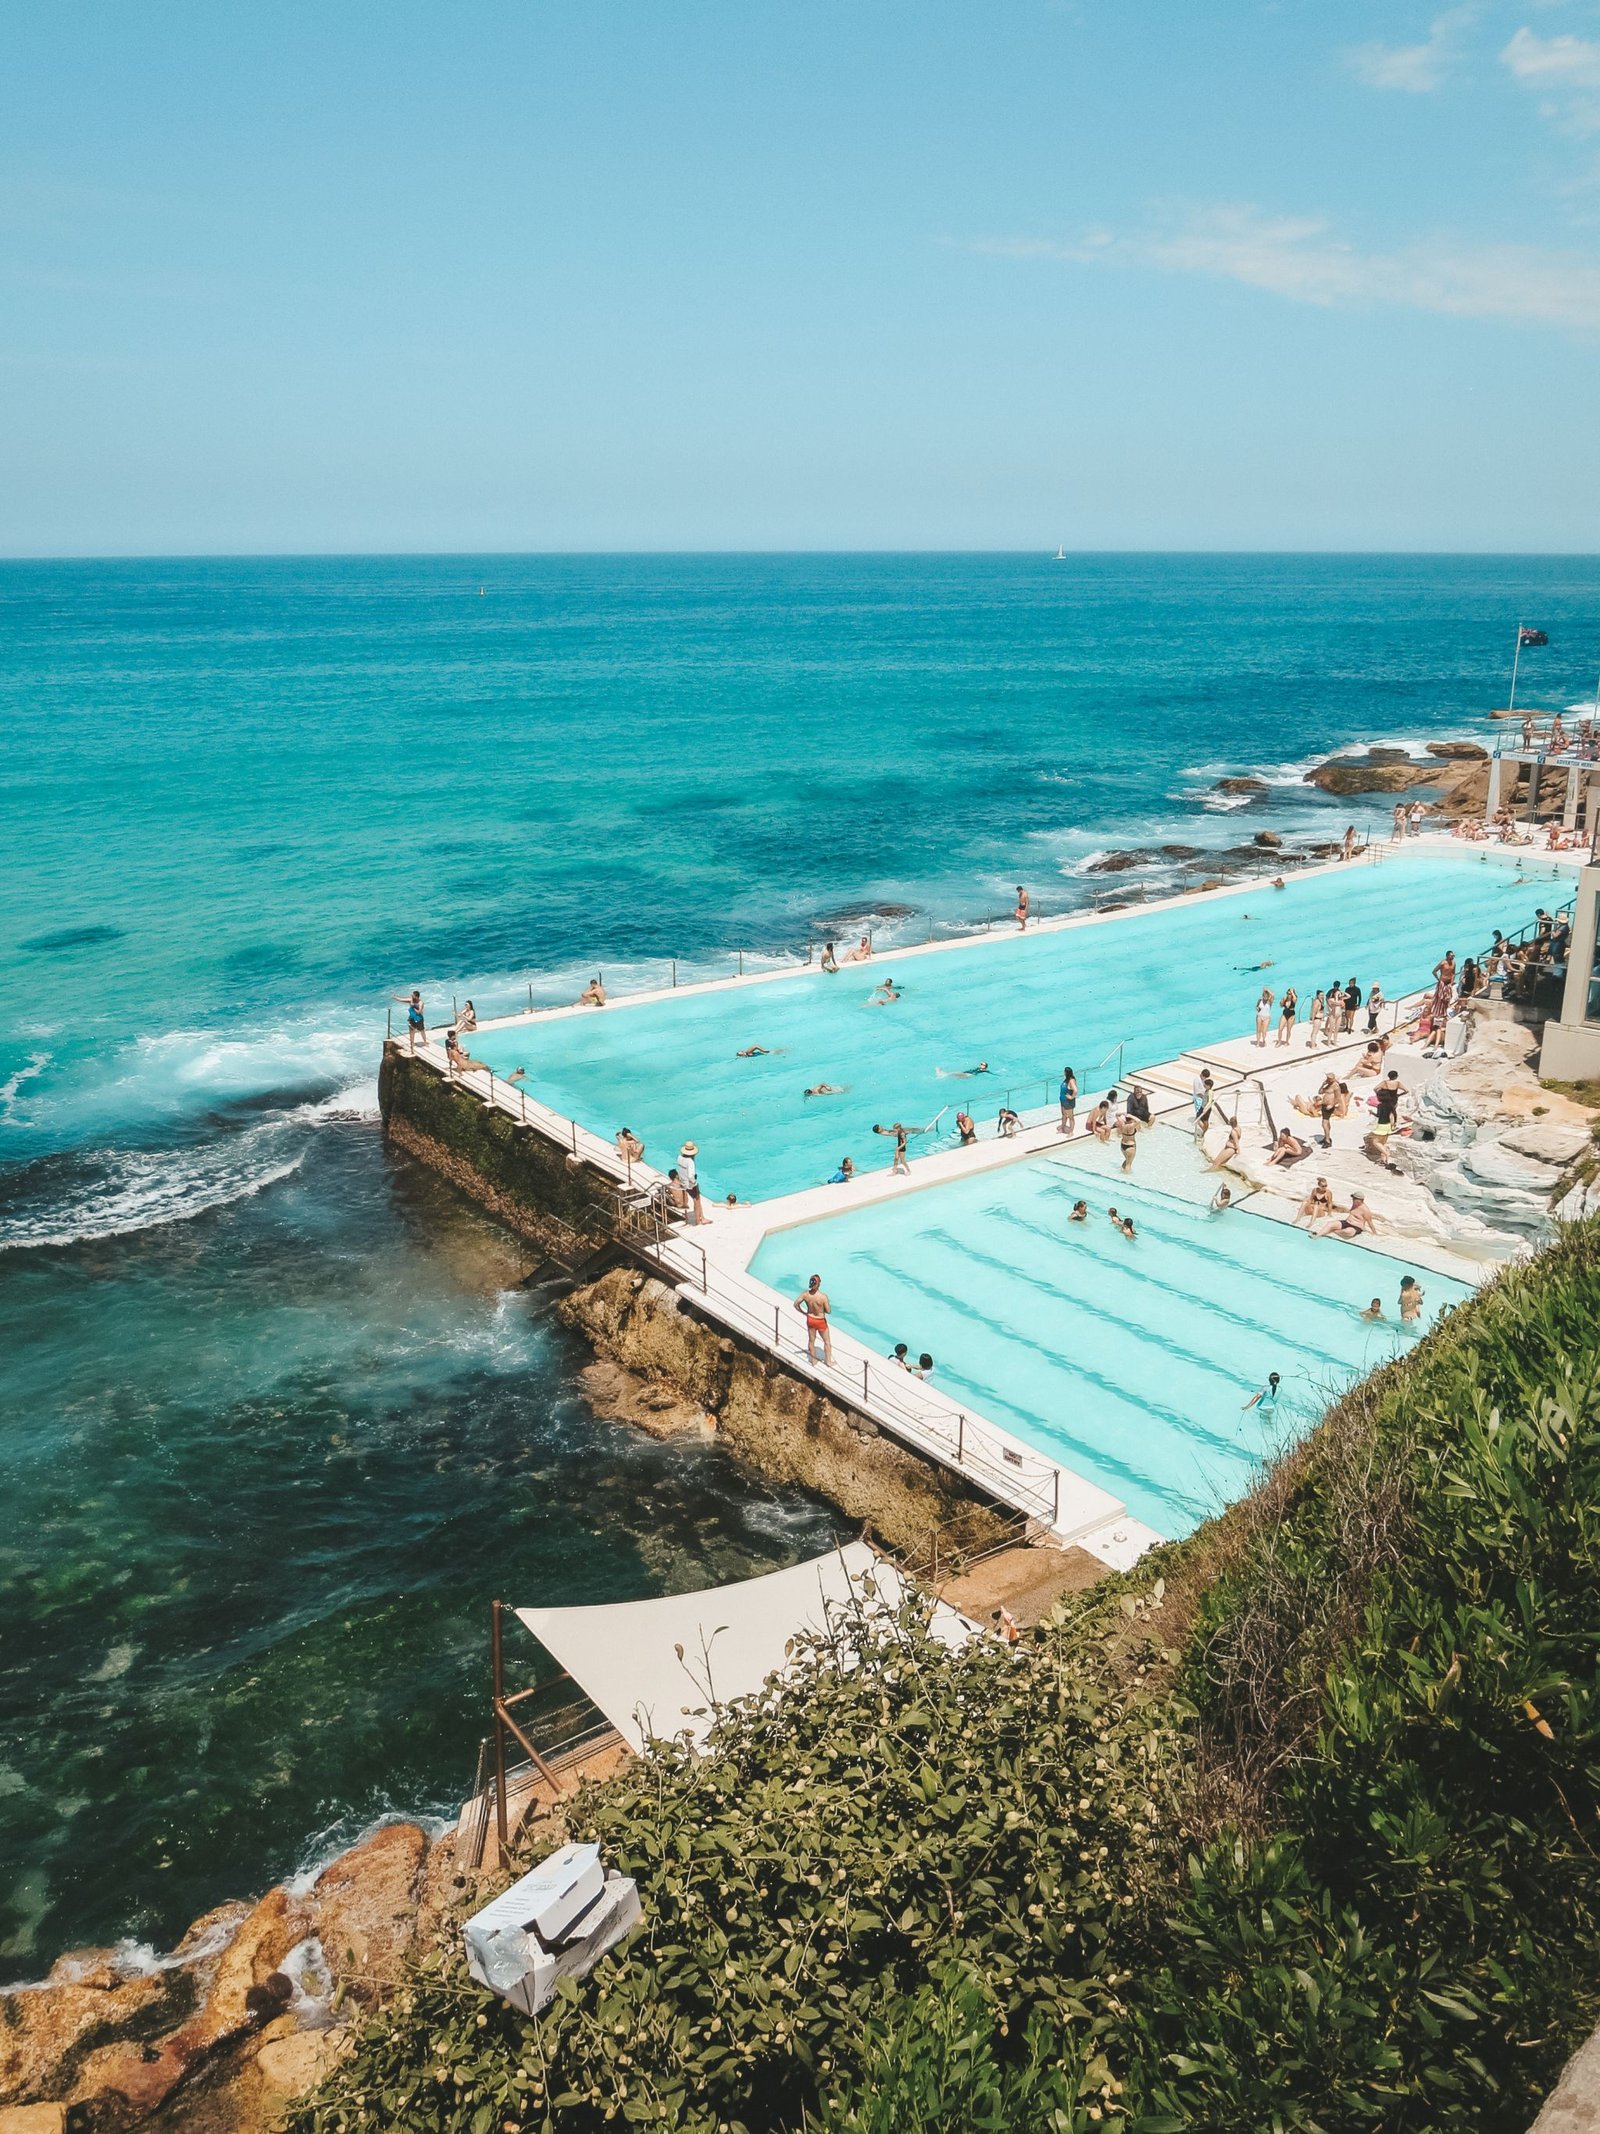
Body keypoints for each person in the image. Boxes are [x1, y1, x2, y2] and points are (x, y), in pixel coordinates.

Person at [1365, 1070, 1407, 1167]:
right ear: (1396, 1076)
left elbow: (1375, 1089)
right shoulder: (1398, 1084)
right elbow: (1406, 1091)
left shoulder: (1384, 1084)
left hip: (1382, 1124)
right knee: (1383, 1141)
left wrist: (1380, 1093)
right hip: (1392, 1102)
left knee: (1375, 1141)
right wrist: (1398, 1095)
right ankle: (1383, 1159)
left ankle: (1386, 1154)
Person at [794, 1275, 833, 1364]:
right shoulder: (823, 1297)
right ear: (818, 1284)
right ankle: (828, 1362)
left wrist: (803, 1312)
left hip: (810, 1319)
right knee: (827, 1342)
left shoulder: (805, 1294)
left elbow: (796, 1304)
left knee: (811, 1341)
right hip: (820, 1321)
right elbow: (828, 1311)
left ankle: (813, 1361)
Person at [678, 1142, 706, 1224]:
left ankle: (702, 1217)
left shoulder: (679, 1157)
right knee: (697, 1201)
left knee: (696, 1200)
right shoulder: (690, 1162)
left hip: (683, 1182)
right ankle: (698, 1220)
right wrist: (694, 1182)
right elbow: (691, 1176)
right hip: (690, 1184)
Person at [1192, 1068, 1216, 1139]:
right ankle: (1205, 1131)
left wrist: (1206, 1107)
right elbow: (1197, 1092)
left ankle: (1205, 1131)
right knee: (1204, 1119)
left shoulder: (1210, 1092)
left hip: (1205, 1106)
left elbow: (1210, 1101)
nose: (1204, 1085)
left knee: (1201, 1119)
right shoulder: (1198, 1081)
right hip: (1201, 1102)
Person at [1059, 1065, 1078, 1135]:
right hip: (1063, 1101)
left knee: (1070, 1117)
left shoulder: (1071, 1081)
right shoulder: (1066, 1080)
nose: (1063, 1073)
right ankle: (1062, 1128)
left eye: (1064, 1072)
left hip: (1068, 1102)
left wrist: (1071, 1097)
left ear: (1066, 1073)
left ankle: (1071, 1132)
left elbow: (1075, 1090)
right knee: (1064, 1115)